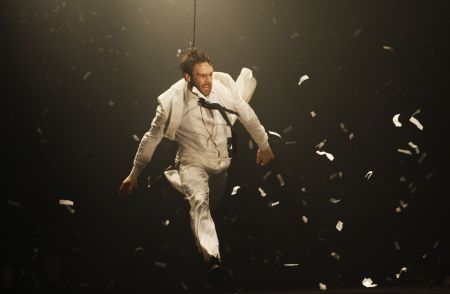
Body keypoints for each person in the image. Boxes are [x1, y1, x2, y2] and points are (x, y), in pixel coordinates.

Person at [119, 47, 275, 286]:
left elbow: (247, 115)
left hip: (221, 166)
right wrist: (134, 174)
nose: (208, 80)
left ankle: (178, 189)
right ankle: (214, 260)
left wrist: (264, 145)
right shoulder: (171, 101)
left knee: (209, 207)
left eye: (210, 74)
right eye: (202, 75)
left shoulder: (223, 90)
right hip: (192, 162)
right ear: (187, 76)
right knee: (200, 204)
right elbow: (151, 139)